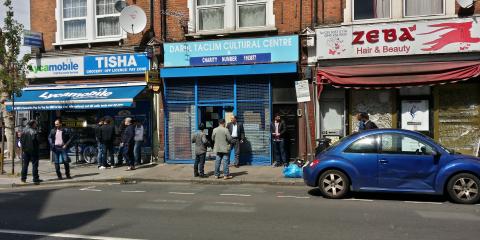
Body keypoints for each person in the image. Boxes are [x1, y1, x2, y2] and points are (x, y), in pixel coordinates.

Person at [20, 120, 41, 184]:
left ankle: (23, 178)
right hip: (33, 151)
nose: (36, 125)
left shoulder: (23, 131)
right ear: (32, 124)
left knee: (25, 165)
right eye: (35, 124)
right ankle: (35, 179)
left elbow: (21, 141)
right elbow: (38, 141)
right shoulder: (34, 131)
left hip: (25, 151)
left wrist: (23, 148)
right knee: (34, 165)